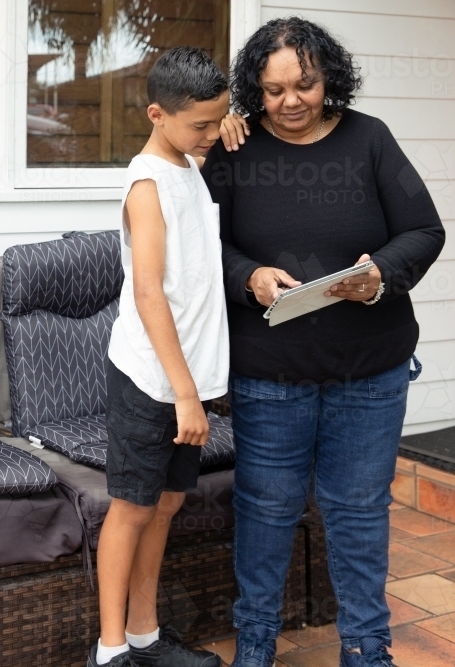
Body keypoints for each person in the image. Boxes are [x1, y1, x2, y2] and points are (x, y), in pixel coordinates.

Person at [203, 17, 446, 667]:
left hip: (371, 370)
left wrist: (379, 276)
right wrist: (246, 275)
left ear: (327, 78)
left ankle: (366, 649)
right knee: (266, 507)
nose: (290, 101)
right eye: (274, 89)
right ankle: (254, 644)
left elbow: (424, 230)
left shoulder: (370, 139)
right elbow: (199, 242)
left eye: (304, 85)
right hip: (269, 373)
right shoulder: (235, 147)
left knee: (360, 511)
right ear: (255, 89)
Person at [91, 46, 228, 667]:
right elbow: (148, 293)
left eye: (217, 121)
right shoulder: (148, 185)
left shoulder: (189, 163)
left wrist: (226, 125)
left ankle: (145, 636)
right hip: (153, 380)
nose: (210, 134)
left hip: (185, 378)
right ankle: (111, 649)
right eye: (200, 125)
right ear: (156, 114)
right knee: (133, 508)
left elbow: (205, 135)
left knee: (168, 503)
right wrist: (186, 392)